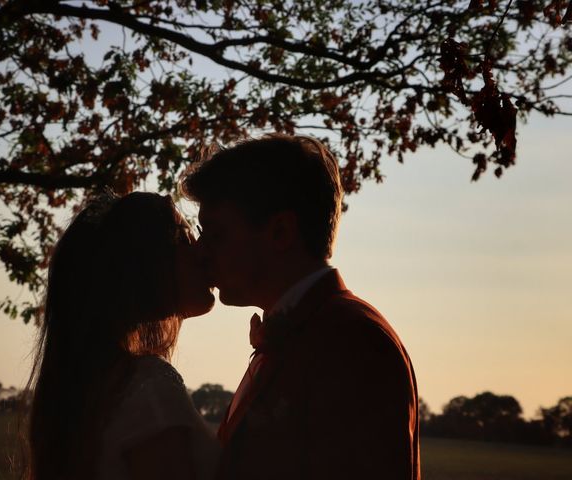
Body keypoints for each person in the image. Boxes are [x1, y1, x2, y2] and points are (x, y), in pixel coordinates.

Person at [180, 134, 421, 479]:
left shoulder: (355, 342)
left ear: (280, 232)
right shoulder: (295, 332)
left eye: (217, 234)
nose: (201, 252)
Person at [22, 192, 220, 480]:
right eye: (184, 239)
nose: (202, 253)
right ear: (143, 262)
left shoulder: (85, 389)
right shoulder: (148, 387)